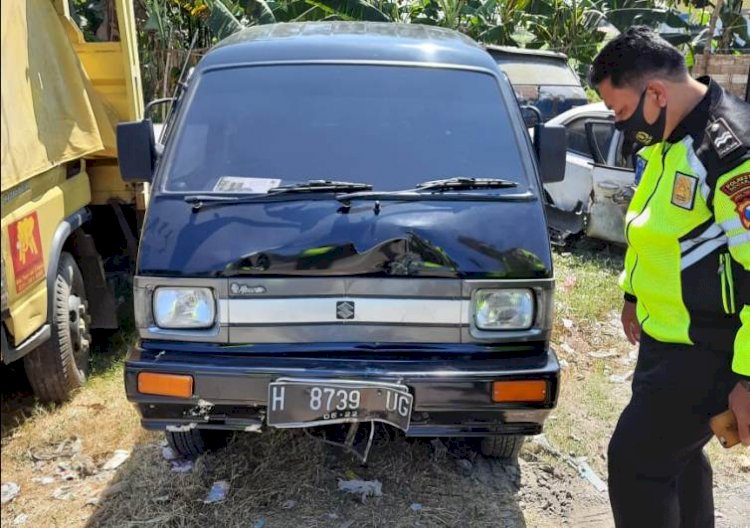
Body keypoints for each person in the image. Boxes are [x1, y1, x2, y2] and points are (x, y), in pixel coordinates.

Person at [588, 26, 750, 527]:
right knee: (677, 466)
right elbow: (658, 228)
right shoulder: (669, 135)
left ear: (655, 93)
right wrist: (634, 294)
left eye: (620, 112)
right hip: (666, 341)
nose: (620, 126)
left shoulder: (728, 153)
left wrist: (747, 377)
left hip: (708, 350)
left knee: (637, 465)